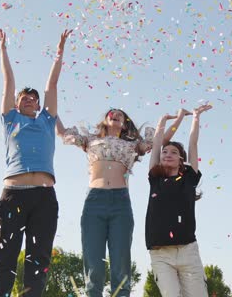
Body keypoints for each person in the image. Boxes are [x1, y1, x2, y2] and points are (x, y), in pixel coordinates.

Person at [0, 29, 72, 297]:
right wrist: (3, 49)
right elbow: (7, 82)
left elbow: (52, 86)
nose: (29, 99)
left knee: (38, 262)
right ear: (16, 104)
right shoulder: (10, 120)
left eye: (33, 98)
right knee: (5, 260)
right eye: (24, 97)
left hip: (44, 198)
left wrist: (59, 52)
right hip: (14, 195)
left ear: (38, 106)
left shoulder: (47, 121)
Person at [57, 106, 159, 297]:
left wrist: (167, 122)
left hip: (120, 202)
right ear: (105, 120)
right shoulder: (90, 140)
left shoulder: (133, 145)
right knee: (93, 261)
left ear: (124, 124)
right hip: (95, 200)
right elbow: (63, 134)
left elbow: (154, 142)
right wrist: (52, 112)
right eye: (113, 113)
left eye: (121, 115)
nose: (117, 115)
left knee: (120, 261)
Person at [145, 104, 213, 297]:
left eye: (174, 152)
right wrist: (161, 123)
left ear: (181, 160)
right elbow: (156, 145)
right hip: (160, 254)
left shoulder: (189, 179)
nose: (168, 154)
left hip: (187, 251)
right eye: (165, 152)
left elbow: (193, 145)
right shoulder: (155, 179)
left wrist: (196, 117)